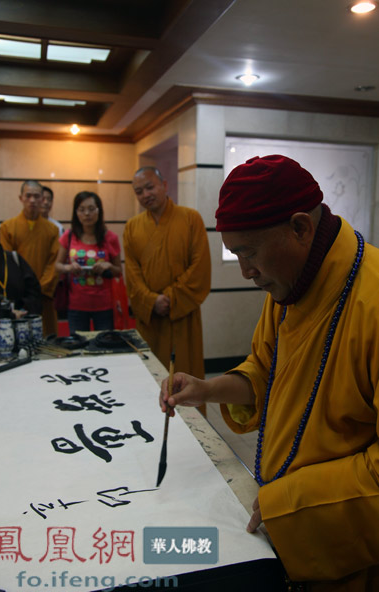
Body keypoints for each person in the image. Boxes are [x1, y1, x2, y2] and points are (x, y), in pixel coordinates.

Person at [160, 155, 379, 592]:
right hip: (287, 521)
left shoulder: (371, 299)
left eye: (249, 252)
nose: (245, 272)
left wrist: (291, 503)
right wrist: (207, 388)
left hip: (345, 548)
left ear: (300, 228)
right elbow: (266, 369)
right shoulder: (293, 283)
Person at [124, 166, 211, 380]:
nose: (145, 195)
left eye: (149, 187)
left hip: (182, 315)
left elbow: (200, 268)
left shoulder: (191, 219)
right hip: (149, 317)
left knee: (184, 374)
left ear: (164, 185)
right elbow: (132, 274)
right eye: (139, 191)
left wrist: (170, 298)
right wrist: (151, 300)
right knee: (149, 378)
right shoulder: (132, 227)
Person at [55, 191, 122, 333]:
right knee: (79, 349)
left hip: (104, 305)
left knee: (104, 349)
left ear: (99, 211)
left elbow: (119, 272)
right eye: (81, 209)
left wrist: (108, 265)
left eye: (91, 209)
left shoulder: (110, 237)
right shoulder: (69, 235)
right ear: (76, 213)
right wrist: (69, 268)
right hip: (76, 304)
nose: (87, 214)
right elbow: (57, 265)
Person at [0, 180, 60, 336]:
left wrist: (39, 290)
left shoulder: (52, 230)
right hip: (20, 295)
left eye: (36, 196)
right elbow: (8, 263)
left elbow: (54, 262)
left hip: (43, 296)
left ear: (42, 199)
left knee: (47, 337)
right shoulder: (8, 227)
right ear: (21, 198)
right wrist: (25, 291)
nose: (32, 200)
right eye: (28, 196)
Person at [0, 211, 41, 341]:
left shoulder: (14, 259)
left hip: (20, 328)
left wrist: (22, 311)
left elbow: (34, 291)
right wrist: (5, 313)